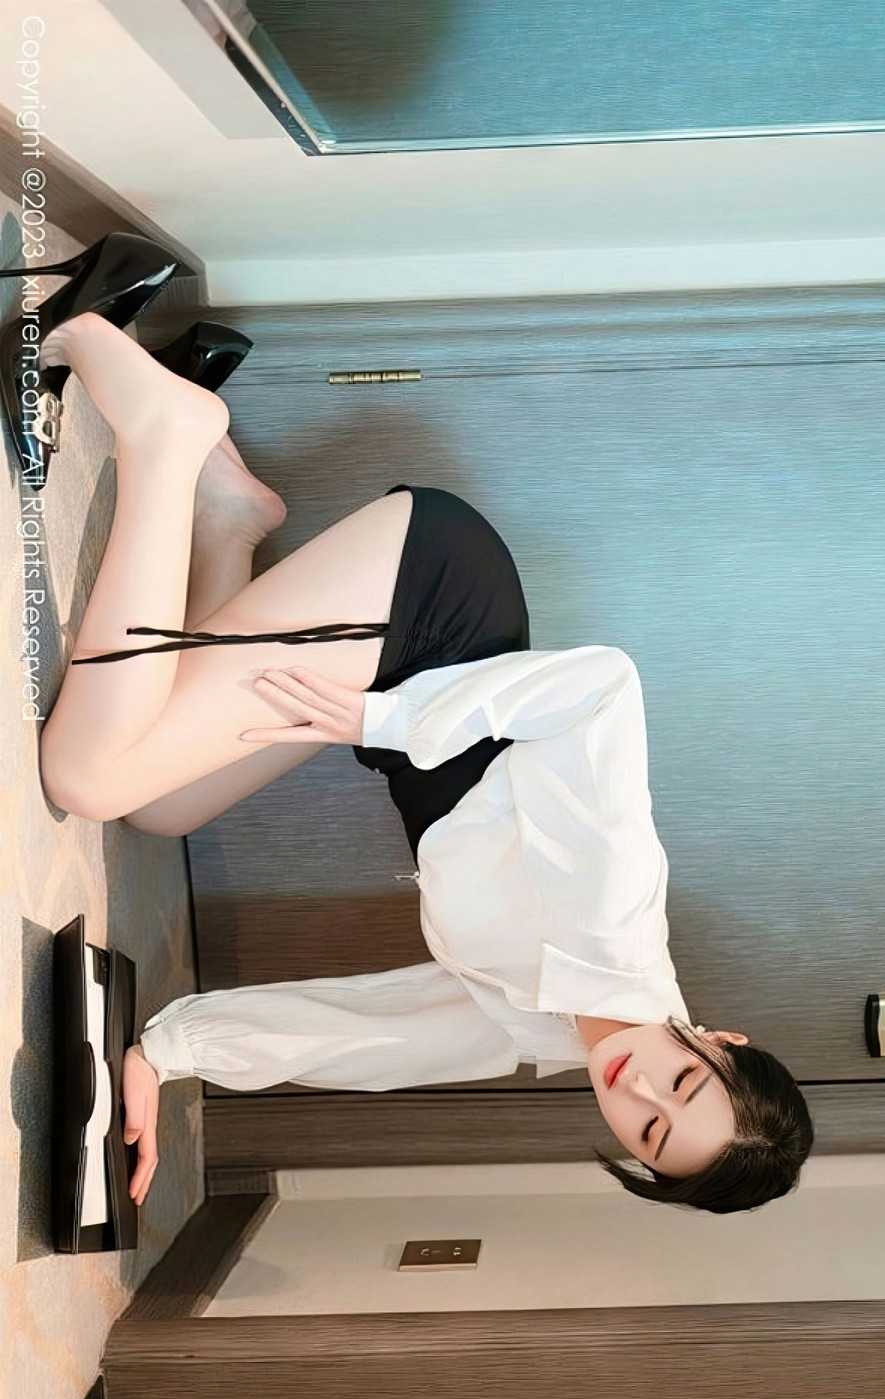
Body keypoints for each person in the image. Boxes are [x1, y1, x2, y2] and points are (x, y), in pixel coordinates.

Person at [35, 310, 814, 1215]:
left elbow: (363, 1034)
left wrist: (165, 1055)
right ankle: (167, 438)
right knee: (89, 776)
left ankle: (228, 521)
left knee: (158, 808)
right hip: (430, 602)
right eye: (682, 1083)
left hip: (393, 681)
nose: (636, 1089)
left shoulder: (546, 1033)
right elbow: (604, 687)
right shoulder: (612, 919)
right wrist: (390, 717)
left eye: (649, 1132)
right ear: (721, 1042)